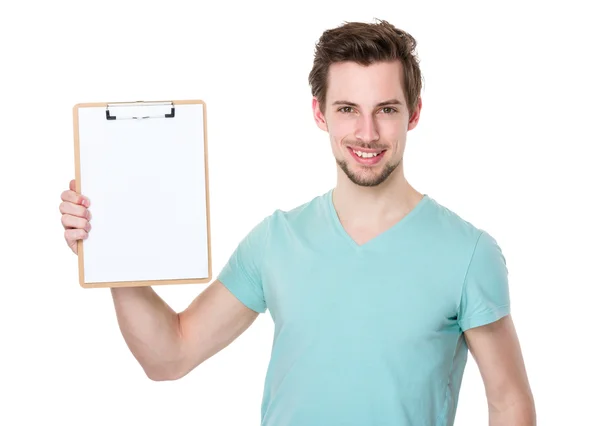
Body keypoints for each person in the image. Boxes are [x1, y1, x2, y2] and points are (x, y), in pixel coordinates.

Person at [59, 19, 535, 426]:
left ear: (413, 114)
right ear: (319, 113)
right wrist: (111, 250)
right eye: (347, 109)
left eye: (385, 110)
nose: (366, 133)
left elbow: (509, 401)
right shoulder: (275, 241)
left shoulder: (468, 253)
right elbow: (170, 357)